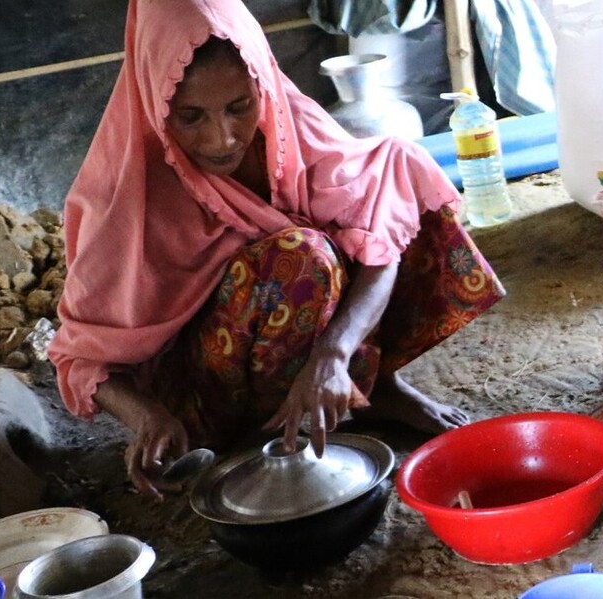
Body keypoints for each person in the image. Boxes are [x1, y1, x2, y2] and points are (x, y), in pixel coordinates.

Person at [49, 0, 504, 498]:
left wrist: (333, 356)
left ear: (262, 84)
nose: (222, 139)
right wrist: (147, 417)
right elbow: (79, 358)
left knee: (397, 176)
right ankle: (259, 440)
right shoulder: (127, 193)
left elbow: (381, 246)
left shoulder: (287, 127)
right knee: (300, 257)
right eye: (191, 117)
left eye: (239, 108)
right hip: (201, 398)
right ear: (158, 108)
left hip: (294, 343)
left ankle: (373, 387)